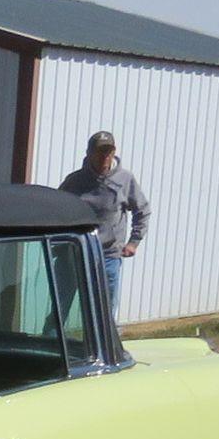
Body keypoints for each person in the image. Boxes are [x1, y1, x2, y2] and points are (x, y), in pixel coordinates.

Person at [57, 130, 150, 310]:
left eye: (109, 151)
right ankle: (54, 337)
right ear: (89, 153)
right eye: (100, 151)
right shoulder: (75, 181)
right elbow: (57, 210)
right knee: (60, 308)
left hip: (108, 255)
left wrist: (134, 242)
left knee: (104, 310)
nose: (105, 156)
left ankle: (104, 338)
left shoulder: (124, 179)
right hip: (76, 253)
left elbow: (143, 210)